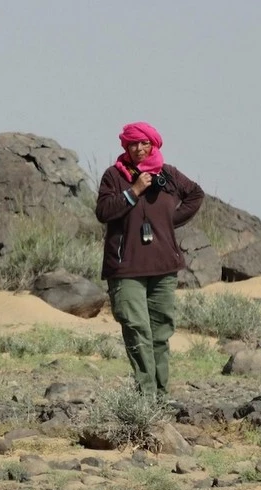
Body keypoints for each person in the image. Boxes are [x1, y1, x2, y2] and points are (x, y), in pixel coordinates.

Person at [96, 121, 204, 397]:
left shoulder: (168, 174)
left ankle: (160, 395)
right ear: (126, 146)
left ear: (154, 144)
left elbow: (195, 195)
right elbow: (104, 212)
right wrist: (133, 192)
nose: (140, 148)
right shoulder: (114, 176)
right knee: (137, 329)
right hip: (125, 268)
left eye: (146, 143)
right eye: (134, 143)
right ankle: (146, 395)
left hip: (163, 266)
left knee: (159, 333)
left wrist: (170, 221)